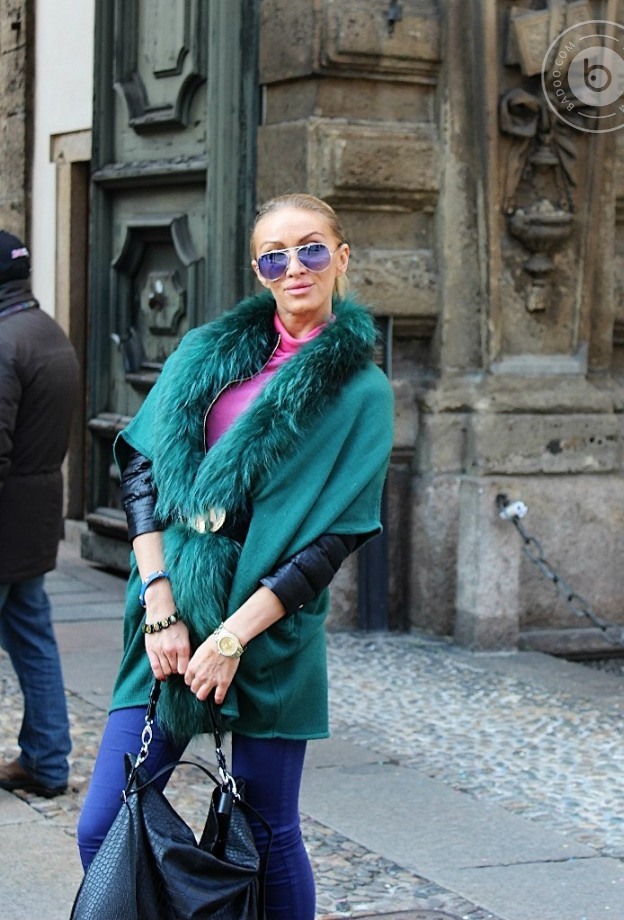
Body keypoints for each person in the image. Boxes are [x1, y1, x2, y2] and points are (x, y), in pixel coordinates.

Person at [76, 193, 394, 918]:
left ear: (341, 257)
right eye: (274, 257)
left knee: (266, 831)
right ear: (258, 271)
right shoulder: (205, 352)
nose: (295, 268)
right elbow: (142, 469)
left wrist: (231, 639)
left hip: (269, 624)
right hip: (171, 610)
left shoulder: (361, 392)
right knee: (104, 824)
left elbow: (336, 536)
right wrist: (160, 604)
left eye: (311, 249)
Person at [0, 230, 79, 798]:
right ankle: (48, 761)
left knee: (31, 635)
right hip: (34, 518)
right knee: (32, 637)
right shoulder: (46, 330)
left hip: (6, 519)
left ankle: (47, 759)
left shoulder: (5, 341)